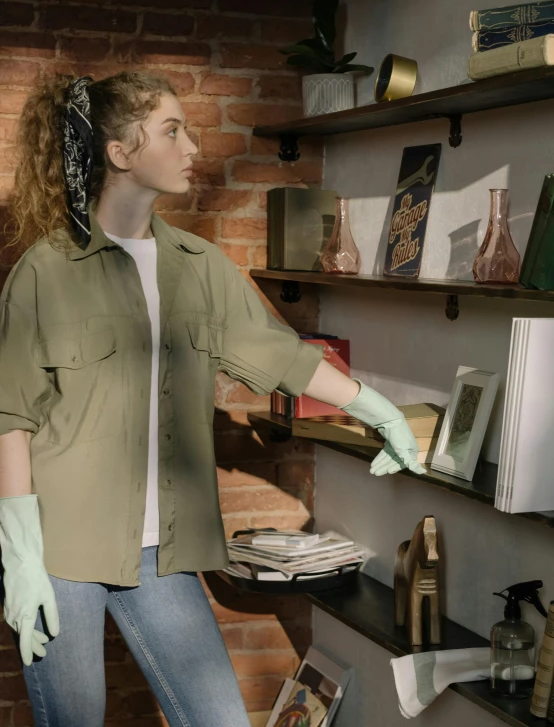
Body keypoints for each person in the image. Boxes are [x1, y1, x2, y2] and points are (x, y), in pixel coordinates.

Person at [0, 70, 425, 727]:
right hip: (58, 553)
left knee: (220, 719)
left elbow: (280, 355)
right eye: (172, 130)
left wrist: (379, 410)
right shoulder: (46, 272)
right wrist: (20, 555)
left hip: (160, 554)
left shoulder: (200, 266)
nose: (192, 145)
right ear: (119, 152)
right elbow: (11, 418)